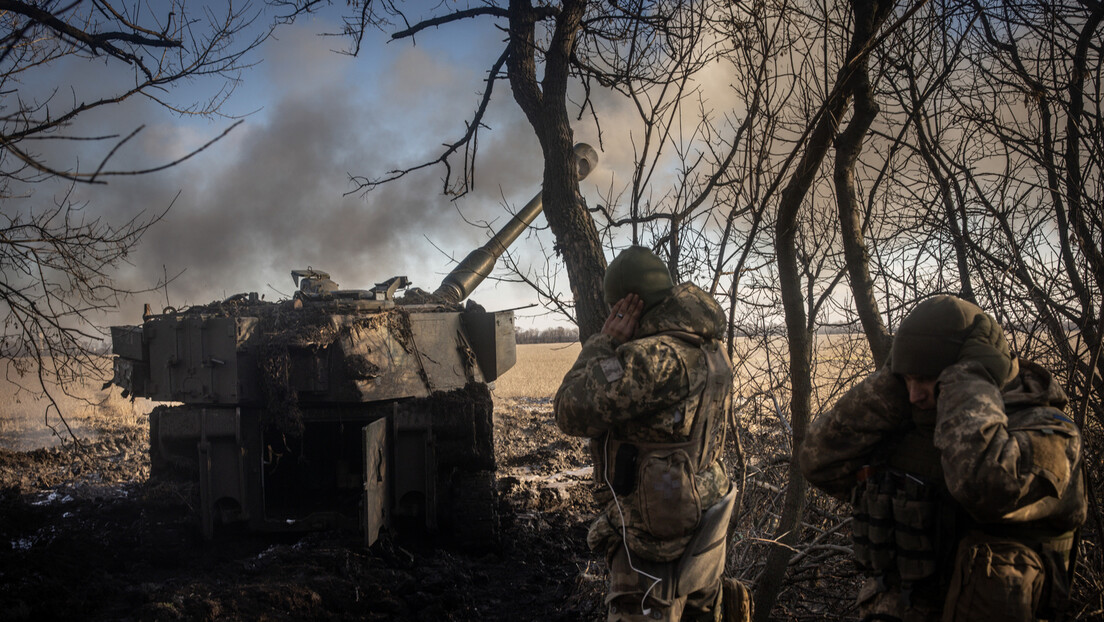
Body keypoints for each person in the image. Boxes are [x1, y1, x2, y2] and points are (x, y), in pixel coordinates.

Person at [800, 295, 1086, 621]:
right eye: (905, 380)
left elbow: (982, 486)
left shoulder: (1050, 432)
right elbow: (818, 459)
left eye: (924, 379)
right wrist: (889, 387)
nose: (913, 395)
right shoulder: (913, 423)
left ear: (965, 372)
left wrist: (968, 381)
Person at [554, 246, 747, 621]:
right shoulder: (708, 346)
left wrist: (605, 341)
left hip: (653, 547)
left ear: (628, 305)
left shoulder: (651, 360)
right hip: (704, 525)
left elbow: (569, 410)